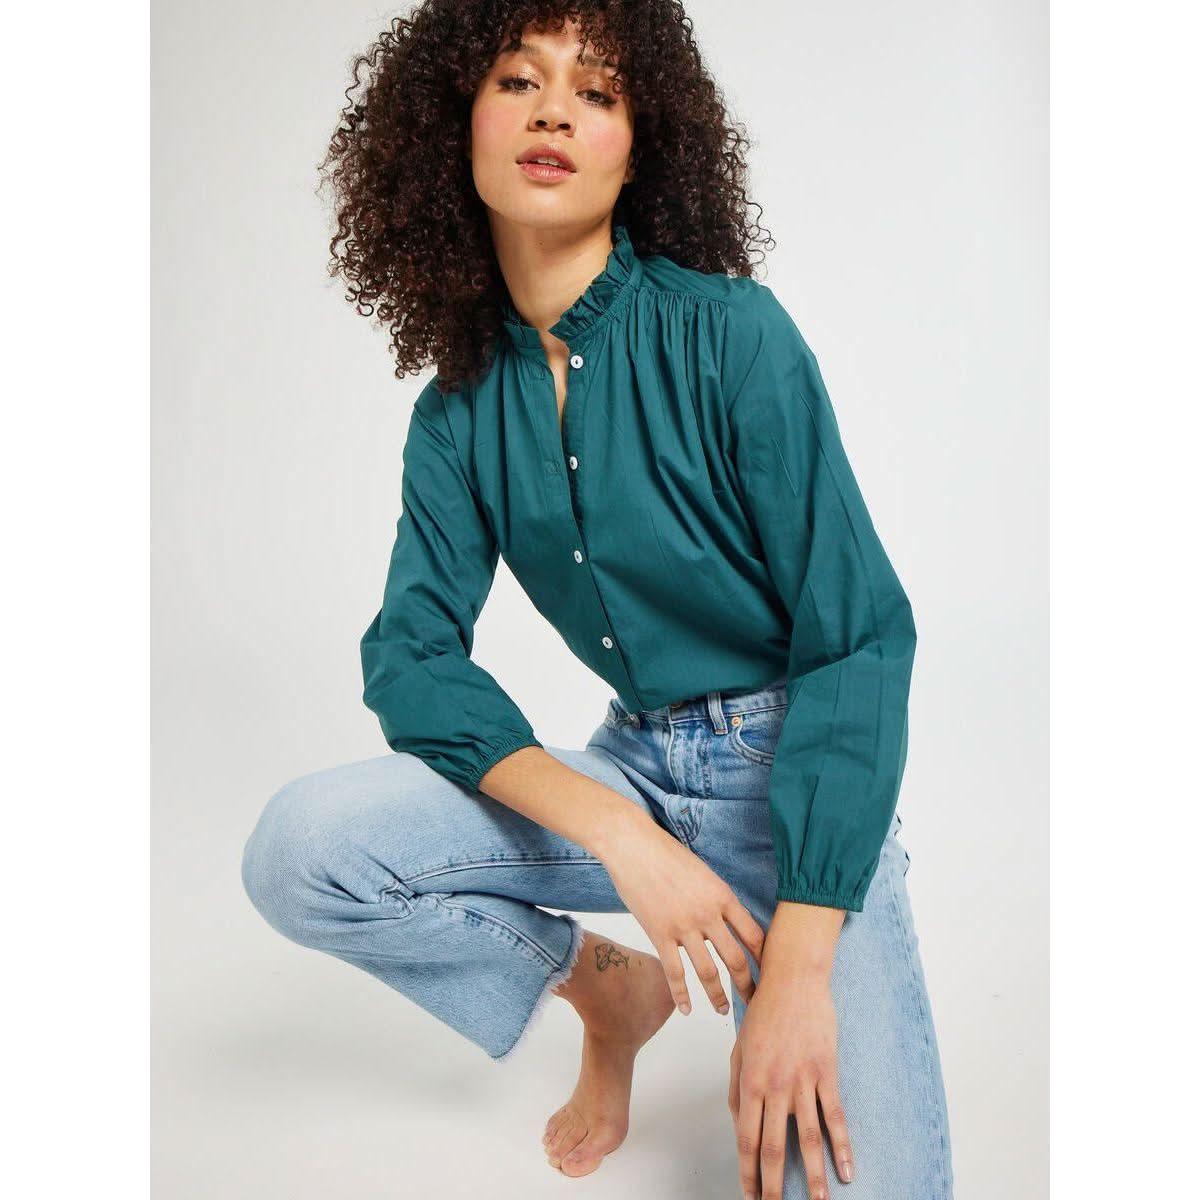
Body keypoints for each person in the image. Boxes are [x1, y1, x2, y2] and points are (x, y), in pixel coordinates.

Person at [240, 4, 954, 1198]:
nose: (557, 109)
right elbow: (411, 656)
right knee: (302, 852)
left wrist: (799, 973)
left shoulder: (733, 337)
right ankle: (606, 991)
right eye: (520, 79)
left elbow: (860, 641)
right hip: (627, 776)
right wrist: (621, 837)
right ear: (450, 128)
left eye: (600, 92)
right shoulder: (457, 413)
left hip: (794, 792)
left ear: (642, 148)